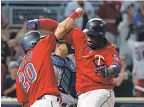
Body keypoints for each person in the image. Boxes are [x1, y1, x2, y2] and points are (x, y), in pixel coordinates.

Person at [28, 17, 122, 107]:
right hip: (82, 95)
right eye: (88, 34)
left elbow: (116, 65)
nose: (89, 38)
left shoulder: (109, 50)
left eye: (93, 36)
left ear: (101, 36)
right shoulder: (80, 38)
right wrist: (39, 22)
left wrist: (108, 71)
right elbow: (58, 27)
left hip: (100, 92)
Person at [17, 8, 84, 107]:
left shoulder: (20, 70)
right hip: (48, 101)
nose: (42, 40)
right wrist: (75, 14)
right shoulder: (39, 48)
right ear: (34, 43)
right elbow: (62, 28)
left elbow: (24, 102)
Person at [52, 40, 77, 107]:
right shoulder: (51, 63)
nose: (70, 46)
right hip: (59, 103)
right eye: (66, 44)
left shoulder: (69, 60)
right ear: (58, 46)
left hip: (72, 102)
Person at [128, 24, 144, 97]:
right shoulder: (133, 44)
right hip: (138, 75)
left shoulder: (133, 44)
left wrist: (131, 30)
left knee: (138, 96)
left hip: (137, 74)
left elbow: (128, 39)